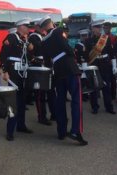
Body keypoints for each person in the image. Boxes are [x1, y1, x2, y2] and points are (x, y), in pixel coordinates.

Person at [40, 16, 88, 145]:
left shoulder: (44, 40)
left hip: (58, 72)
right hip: (70, 69)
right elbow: (67, 47)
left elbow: (47, 61)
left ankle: (61, 131)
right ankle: (75, 131)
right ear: (51, 23)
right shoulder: (57, 31)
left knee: (60, 102)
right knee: (76, 102)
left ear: (43, 27)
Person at [0, 18, 34, 141]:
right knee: (13, 101)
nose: (28, 29)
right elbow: (3, 55)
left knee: (22, 101)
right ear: (20, 26)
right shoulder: (12, 38)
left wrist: (31, 48)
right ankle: (10, 130)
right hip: (13, 72)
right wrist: (5, 71)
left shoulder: (24, 39)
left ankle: (21, 125)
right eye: (26, 26)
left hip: (23, 72)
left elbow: (27, 56)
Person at [85, 20, 116, 115]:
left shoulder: (106, 38)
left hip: (105, 64)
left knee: (106, 86)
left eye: (100, 27)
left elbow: (111, 53)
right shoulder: (88, 40)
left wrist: (114, 65)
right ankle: (94, 107)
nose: (99, 29)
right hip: (93, 64)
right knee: (93, 87)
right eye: (97, 27)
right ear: (92, 28)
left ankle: (109, 107)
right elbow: (86, 55)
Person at [28, 18, 53, 126]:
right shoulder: (34, 36)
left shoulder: (41, 36)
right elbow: (39, 48)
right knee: (40, 94)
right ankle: (41, 116)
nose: (43, 28)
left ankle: (52, 114)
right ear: (37, 26)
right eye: (41, 26)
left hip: (45, 65)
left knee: (48, 92)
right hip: (38, 66)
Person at [103, 22, 117, 100]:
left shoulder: (114, 37)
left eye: (107, 28)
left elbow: (115, 49)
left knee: (113, 79)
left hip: (112, 60)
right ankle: (107, 95)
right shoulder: (101, 37)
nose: (105, 29)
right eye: (104, 28)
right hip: (103, 61)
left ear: (110, 28)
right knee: (105, 79)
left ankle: (113, 95)